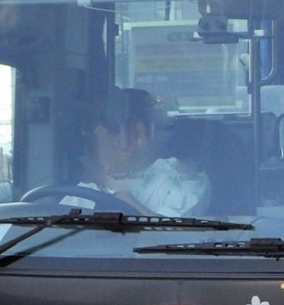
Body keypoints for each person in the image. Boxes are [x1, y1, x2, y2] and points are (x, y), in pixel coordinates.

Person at [85, 88, 211, 218]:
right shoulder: (86, 187)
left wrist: (119, 196)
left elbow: (171, 229)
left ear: (138, 134)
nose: (93, 142)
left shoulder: (178, 180)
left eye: (105, 132)